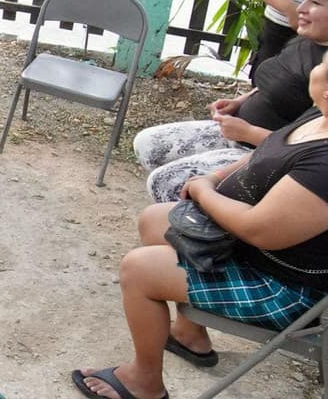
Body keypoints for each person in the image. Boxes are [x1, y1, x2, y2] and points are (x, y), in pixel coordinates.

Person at [72, 49, 328, 399]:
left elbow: (258, 229)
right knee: (154, 220)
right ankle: (189, 334)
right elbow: (268, 148)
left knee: (138, 270)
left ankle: (143, 383)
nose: (319, 69)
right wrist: (216, 175)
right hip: (249, 250)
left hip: (283, 288)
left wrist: (204, 190)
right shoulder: (319, 115)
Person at [133, 0, 328, 203]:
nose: (300, 8)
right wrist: (239, 102)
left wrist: (248, 133)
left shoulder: (324, 71)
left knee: (165, 182)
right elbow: (277, 81)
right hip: (239, 131)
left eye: (315, 2)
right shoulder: (306, 39)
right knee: (148, 145)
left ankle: (198, 230)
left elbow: (311, 145)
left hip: (266, 154)